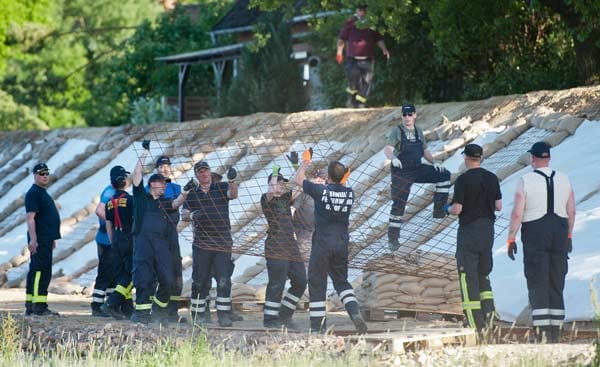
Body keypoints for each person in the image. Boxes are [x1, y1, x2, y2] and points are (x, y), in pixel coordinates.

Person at [507, 142, 575, 343]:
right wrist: (569, 235)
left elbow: (517, 212)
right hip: (560, 231)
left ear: (532, 158)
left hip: (535, 233)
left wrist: (511, 238)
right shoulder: (564, 179)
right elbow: (571, 210)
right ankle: (556, 331)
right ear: (549, 158)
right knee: (556, 279)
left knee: (538, 280)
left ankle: (543, 333)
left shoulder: (525, 180)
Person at [295, 149, 368, 334]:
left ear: (328, 176)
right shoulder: (350, 194)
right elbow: (341, 185)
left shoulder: (321, 191)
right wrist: (342, 177)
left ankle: (318, 326)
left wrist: (304, 163)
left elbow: (298, 180)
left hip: (322, 243)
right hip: (341, 243)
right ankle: (354, 312)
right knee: (341, 282)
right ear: (344, 177)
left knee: (317, 282)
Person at [445, 144, 502, 333]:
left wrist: (446, 209)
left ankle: (473, 324)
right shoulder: (492, 178)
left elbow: (457, 209)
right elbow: (499, 206)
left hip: (469, 232)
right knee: (483, 276)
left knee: (467, 277)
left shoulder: (463, 180)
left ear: (466, 158)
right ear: (481, 158)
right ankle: (490, 319)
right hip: (487, 233)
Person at [130, 142, 187, 324]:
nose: (164, 186)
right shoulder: (141, 198)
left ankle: (158, 311)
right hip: (143, 243)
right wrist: (145, 151)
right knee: (144, 280)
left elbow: (176, 204)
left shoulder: (165, 201)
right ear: (152, 184)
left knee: (169, 280)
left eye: (164, 184)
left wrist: (185, 192)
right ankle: (141, 316)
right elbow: (136, 174)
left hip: (161, 244)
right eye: (161, 184)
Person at [383, 104, 452, 251]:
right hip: (401, 171)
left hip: (417, 167)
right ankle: (393, 239)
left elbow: (425, 150)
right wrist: (393, 158)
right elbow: (388, 149)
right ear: (402, 116)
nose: (407, 117)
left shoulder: (419, 131)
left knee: (444, 175)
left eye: (410, 114)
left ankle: (439, 210)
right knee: (398, 205)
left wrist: (434, 162)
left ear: (415, 115)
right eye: (404, 114)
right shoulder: (397, 131)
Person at [183, 161, 238, 327]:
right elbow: (184, 214)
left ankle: (224, 315)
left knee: (223, 279)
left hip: (222, 242)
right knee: (200, 280)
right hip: (202, 243)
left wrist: (232, 181)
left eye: (206, 171)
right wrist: (192, 216)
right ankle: (199, 315)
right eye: (200, 172)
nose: (203, 174)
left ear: (210, 172)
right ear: (197, 176)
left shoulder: (220, 187)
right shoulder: (193, 193)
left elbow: (233, 195)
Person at [260, 164, 307, 328]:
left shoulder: (286, 199)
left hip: (291, 245)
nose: (280, 185)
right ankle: (270, 320)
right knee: (277, 283)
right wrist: (274, 172)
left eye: (282, 183)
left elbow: (301, 184)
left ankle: (285, 315)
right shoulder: (267, 199)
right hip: (275, 245)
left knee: (301, 281)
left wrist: (302, 164)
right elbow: (272, 190)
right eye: (278, 183)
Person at [147, 154, 184, 322]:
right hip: (156, 236)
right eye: (161, 167)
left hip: (172, 234)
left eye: (167, 166)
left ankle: (171, 312)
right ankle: (155, 311)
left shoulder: (176, 188)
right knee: (158, 275)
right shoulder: (150, 189)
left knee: (176, 274)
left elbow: (179, 206)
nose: (165, 169)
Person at [336, 4, 390, 108]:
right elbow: (341, 39)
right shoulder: (350, 23)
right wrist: (339, 53)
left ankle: (360, 103)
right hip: (352, 59)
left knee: (367, 81)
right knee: (354, 78)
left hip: (368, 59)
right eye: (360, 10)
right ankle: (351, 99)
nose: (362, 12)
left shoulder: (372, 23)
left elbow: (378, 38)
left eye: (364, 10)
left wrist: (384, 49)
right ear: (357, 10)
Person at [24, 163, 61, 316]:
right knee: (40, 272)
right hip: (39, 240)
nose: (45, 176)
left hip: (46, 238)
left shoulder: (42, 192)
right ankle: (38, 306)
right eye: (41, 173)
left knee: (40, 271)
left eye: (46, 173)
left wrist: (52, 237)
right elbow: (30, 219)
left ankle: (33, 306)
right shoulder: (34, 193)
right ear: (35, 175)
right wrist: (34, 240)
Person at [101, 165, 135, 320]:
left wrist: (113, 241)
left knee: (121, 274)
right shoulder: (130, 200)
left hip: (116, 240)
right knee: (132, 275)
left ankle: (127, 308)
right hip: (129, 239)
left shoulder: (109, 202)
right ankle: (112, 303)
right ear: (124, 181)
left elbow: (109, 225)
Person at [90, 171, 117, 317]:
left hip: (108, 239)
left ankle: (109, 304)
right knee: (105, 273)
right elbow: (99, 211)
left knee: (113, 274)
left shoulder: (114, 192)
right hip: (106, 240)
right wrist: (112, 220)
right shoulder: (109, 192)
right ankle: (97, 305)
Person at [292, 166, 327, 262]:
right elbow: (292, 209)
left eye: (324, 179)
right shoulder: (306, 192)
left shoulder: (327, 195)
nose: (321, 180)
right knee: (306, 263)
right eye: (319, 177)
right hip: (303, 235)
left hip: (317, 236)